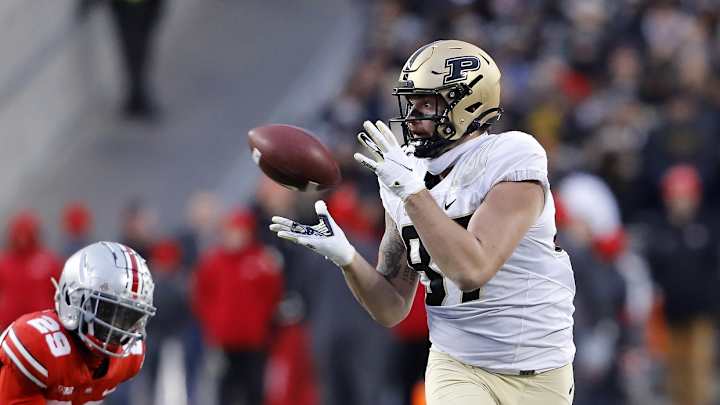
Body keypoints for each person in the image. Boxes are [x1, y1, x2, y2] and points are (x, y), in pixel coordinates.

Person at [270, 40, 575, 405]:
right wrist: (347, 258)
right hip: (457, 363)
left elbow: (473, 269)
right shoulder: (404, 171)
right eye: (411, 102)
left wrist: (413, 192)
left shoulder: (511, 156)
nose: (413, 116)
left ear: (469, 104)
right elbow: (391, 306)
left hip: (539, 367)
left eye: (427, 103)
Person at [0, 241, 156, 404]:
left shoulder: (130, 357)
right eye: (107, 311)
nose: (117, 327)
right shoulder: (38, 345)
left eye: (129, 317)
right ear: (72, 298)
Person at [192, 208, 284, 405]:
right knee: (226, 390)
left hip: (254, 341)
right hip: (224, 342)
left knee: (254, 390)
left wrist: (261, 323)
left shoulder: (262, 261)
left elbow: (273, 296)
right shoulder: (212, 262)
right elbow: (201, 297)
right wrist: (213, 325)